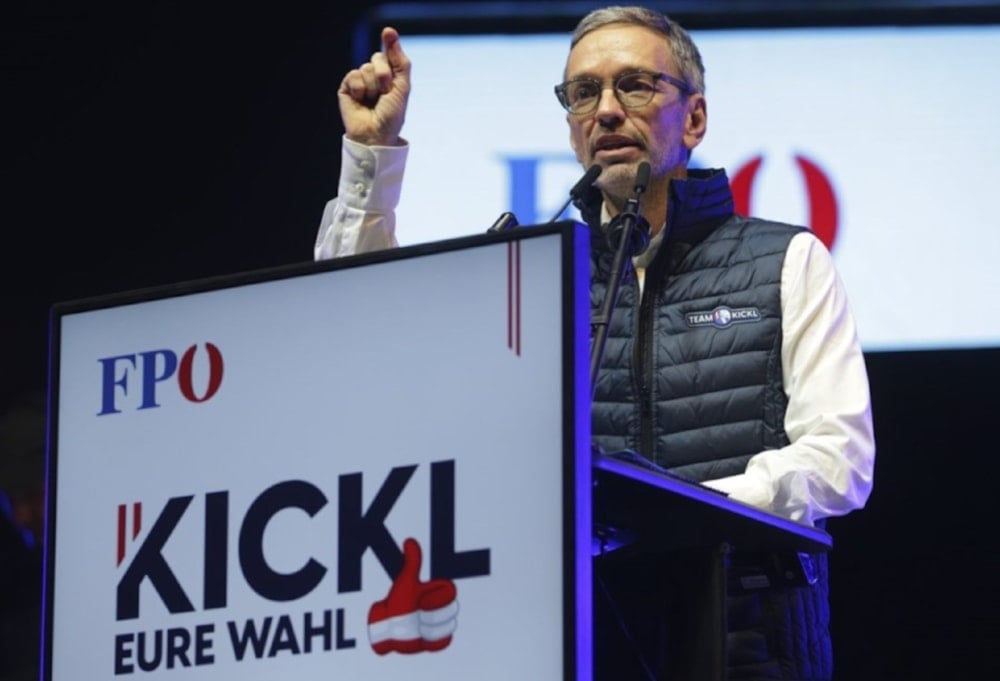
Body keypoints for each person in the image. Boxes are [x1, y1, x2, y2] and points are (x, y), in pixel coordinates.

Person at [314, 6, 875, 680]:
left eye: (634, 85)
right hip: (584, 643)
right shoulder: (530, 278)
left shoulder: (787, 258)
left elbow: (840, 461)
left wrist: (677, 513)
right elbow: (360, 332)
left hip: (747, 648)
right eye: (584, 93)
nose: (606, 110)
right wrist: (370, 157)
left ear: (693, 118)